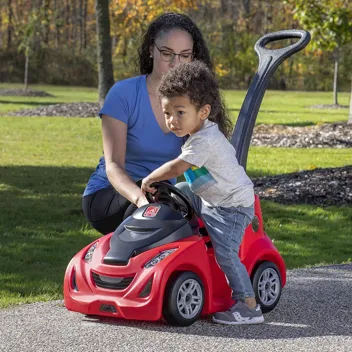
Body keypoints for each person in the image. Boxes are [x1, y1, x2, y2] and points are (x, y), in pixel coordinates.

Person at [141, 60, 264, 325]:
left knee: (226, 253)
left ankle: (249, 306)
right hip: (212, 198)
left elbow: (179, 166)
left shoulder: (205, 141)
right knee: (180, 191)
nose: (172, 120)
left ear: (203, 111)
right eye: (167, 113)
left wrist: (150, 177)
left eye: (180, 112)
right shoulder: (196, 134)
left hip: (232, 207)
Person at [82, 13, 213, 235]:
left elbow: (196, 162)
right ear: (151, 50)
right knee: (164, 211)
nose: (175, 64)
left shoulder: (195, 103)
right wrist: (142, 202)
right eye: (167, 53)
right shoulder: (123, 94)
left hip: (160, 195)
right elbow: (113, 166)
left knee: (193, 213)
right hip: (111, 195)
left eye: (185, 55)